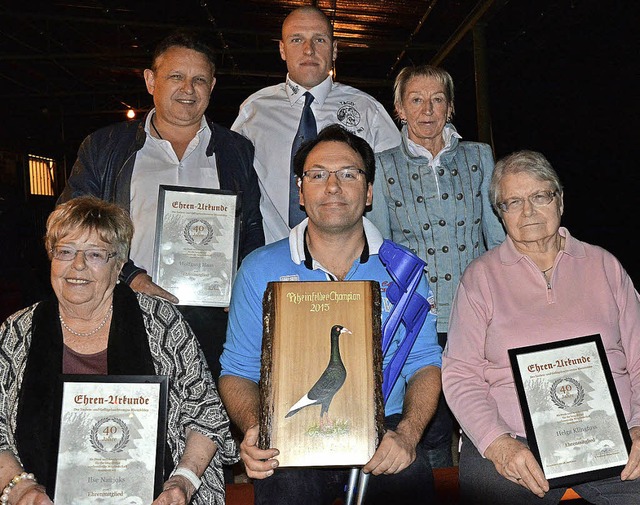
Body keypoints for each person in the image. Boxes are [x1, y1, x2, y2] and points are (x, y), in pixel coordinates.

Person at [219, 124, 442, 504]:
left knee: (410, 482)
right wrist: (257, 427)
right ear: (300, 191)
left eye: (349, 174)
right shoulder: (258, 269)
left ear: (369, 191)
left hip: (382, 426)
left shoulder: (402, 270)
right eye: (318, 175)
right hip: (291, 430)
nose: (333, 187)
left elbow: (424, 363)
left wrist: (407, 434)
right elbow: (237, 372)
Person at [0, 196, 237, 505]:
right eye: (65, 252)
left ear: (119, 266)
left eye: (95, 254)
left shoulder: (160, 321)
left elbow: (205, 413)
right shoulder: (17, 331)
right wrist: (20, 489)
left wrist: (183, 481)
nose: (78, 265)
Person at [59, 29, 264, 380]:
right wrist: (130, 277)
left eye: (200, 79)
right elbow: (71, 227)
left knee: (205, 421)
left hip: (213, 322)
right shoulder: (106, 147)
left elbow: (251, 230)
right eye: (176, 77)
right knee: (137, 418)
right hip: (126, 308)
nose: (189, 89)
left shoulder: (237, 151)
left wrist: (240, 286)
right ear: (151, 80)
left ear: (212, 86)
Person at [442, 150, 640, 504]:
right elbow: (460, 374)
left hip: (617, 438)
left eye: (540, 196)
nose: (528, 211)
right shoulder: (480, 278)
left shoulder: (604, 266)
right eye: (513, 202)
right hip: (516, 443)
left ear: (560, 200)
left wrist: (639, 428)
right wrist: (497, 443)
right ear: (500, 215)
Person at [367, 64, 505, 467]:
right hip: (417, 315)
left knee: (484, 409)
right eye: (416, 100)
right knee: (433, 423)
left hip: (474, 312)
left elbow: (496, 240)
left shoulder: (480, 156)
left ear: (450, 107)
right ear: (399, 109)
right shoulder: (382, 164)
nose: (427, 110)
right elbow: (380, 248)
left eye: (437, 99)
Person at [231, 5, 401, 244]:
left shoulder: (367, 110)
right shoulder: (254, 111)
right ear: (282, 49)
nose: (308, 50)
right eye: (297, 39)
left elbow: (401, 184)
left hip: (348, 257)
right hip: (272, 255)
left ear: (334, 50)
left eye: (319, 40)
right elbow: (232, 185)